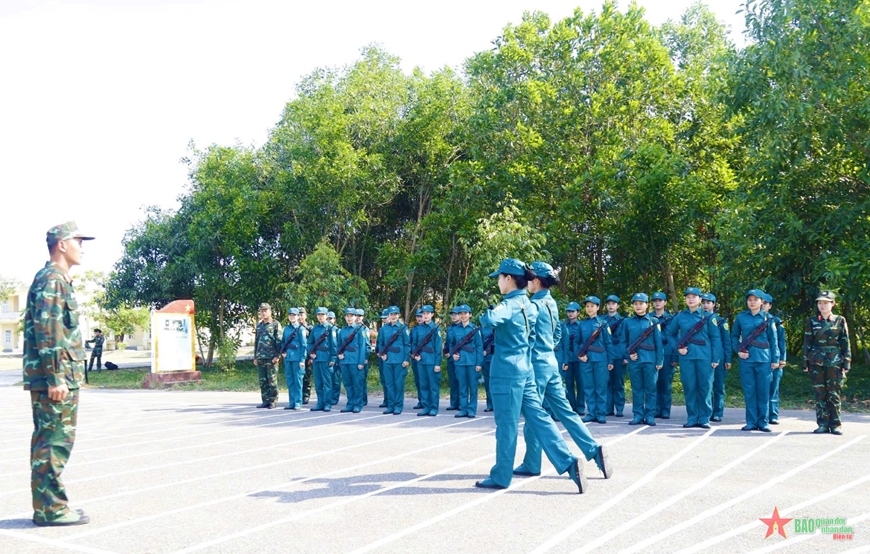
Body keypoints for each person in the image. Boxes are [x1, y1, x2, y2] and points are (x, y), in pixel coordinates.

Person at [476, 258, 586, 493]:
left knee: (506, 424)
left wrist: (486, 313)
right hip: (526, 368)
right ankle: (567, 460)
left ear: (508, 279)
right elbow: (538, 334)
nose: (497, 282)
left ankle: (501, 475)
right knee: (539, 417)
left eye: (499, 277)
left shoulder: (510, 303)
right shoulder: (528, 303)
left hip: (506, 370)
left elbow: (491, 320)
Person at [23, 221, 94, 527]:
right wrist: (56, 378)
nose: (82, 246)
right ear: (62, 245)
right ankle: (50, 510)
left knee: (51, 441)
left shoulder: (56, 279)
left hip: (59, 376)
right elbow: (48, 331)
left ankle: (48, 506)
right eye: (78, 240)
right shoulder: (52, 280)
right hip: (56, 379)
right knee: (53, 442)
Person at [514, 262, 612, 480]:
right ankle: (593, 450)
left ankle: (532, 462)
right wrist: (547, 348)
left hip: (537, 365)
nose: (527, 283)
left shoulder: (533, 306)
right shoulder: (551, 303)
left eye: (530, 279)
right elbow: (558, 333)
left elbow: (525, 338)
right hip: (550, 362)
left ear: (537, 281)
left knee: (534, 416)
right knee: (567, 413)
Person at [665, 287, 722, 429]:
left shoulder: (709, 316)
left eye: (694, 296)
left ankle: (704, 418)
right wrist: (678, 348)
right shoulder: (680, 316)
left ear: (700, 299)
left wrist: (716, 358)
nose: (690, 299)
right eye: (688, 297)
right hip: (687, 357)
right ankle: (692, 418)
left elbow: (715, 338)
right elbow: (669, 333)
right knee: (690, 387)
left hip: (705, 357)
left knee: (705, 387)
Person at [802, 291, 851, 435]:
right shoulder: (812, 321)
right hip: (816, 361)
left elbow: (845, 342)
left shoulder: (840, 320)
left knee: (834, 393)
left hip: (834, 361)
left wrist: (846, 362)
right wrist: (805, 362)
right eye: (819, 303)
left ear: (833, 304)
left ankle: (836, 424)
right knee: (820, 393)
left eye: (825, 302)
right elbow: (807, 342)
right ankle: (822, 423)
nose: (822, 305)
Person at [730, 289, 779, 432]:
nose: (752, 302)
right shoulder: (741, 318)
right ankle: (751, 422)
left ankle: (763, 422)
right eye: (749, 299)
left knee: (763, 391)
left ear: (762, 302)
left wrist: (775, 359)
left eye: (755, 300)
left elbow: (773, 341)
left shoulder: (768, 319)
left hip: (764, 360)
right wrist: (738, 350)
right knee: (749, 391)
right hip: (746, 360)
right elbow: (734, 336)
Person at [622, 293, 663, 426]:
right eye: (636, 304)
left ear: (647, 305)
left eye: (641, 303)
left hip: (650, 360)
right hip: (635, 361)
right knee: (637, 389)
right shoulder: (627, 322)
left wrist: (659, 361)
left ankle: (650, 415)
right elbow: (623, 342)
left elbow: (659, 343)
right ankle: (638, 415)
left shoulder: (654, 321)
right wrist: (628, 355)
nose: (638, 306)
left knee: (650, 389)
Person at [577, 296, 614, 424]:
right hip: (586, 360)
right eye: (587, 306)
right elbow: (577, 342)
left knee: (601, 387)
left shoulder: (603, 324)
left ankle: (601, 414)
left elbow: (609, 344)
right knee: (588, 387)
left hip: (600, 360)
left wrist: (610, 361)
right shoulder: (582, 324)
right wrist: (580, 355)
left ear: (598, 307)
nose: (589, 308)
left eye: (592, 306)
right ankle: (591, 413)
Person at [702, 293, 732, 422]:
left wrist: (728, 359)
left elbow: (726, 341)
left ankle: (718, 412)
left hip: (719, 357)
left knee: (718, 386)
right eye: (703, 302)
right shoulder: (698, 318)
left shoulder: (721, 320)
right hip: (704, 356)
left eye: (708, 302)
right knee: (705, 386)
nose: (705, 305)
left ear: (714, 305)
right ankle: (706, 412)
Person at [449, 304, 483, 418]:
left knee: (473, 387)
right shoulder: (455, 330)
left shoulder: (474, 329)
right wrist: (453, 354)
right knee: (462, 387)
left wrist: (479, 363)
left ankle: (472, 409)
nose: (463, 316)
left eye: (465, 313)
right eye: (461, 314)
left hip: (472, 362)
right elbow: (452, 344)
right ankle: (463, 409)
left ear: (470, 315)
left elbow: (479, 346)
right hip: (460, 362)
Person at [377, 306, 410, 415]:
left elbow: (407, 345)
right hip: (387, 360)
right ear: (388, 316)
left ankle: (398, 406)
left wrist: (406, 359)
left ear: (398, 315)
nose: (393, 316)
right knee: (389, 384)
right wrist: (382, 354)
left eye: (395, 314)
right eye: (391, 314)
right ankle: (390, 406)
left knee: (398, 384)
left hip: (400, 361)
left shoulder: (403, 328)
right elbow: (380, 344)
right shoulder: (383, 329)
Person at [412, 305, 442, 416]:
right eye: (423, 313)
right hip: (421, 360)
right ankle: (425, 407)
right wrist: (416, 355)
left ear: (432, 314)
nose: (425, 316)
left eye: (427, 313)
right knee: (423, 384)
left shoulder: (436, 328)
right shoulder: (418, 328)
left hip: (432, 360)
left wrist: (437, 363)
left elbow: (438, 348)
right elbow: (415, 344)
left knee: (433, 386)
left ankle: (434, 407)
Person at [762, 294, 787, 424]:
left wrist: (782, 358)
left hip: (775, 358)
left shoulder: (776, 321)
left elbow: (781, 341)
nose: (763, 306)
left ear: (770, 306)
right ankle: (763, 415)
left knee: (773, 388)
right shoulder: (756, 319)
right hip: (762, 358)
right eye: (762, 303)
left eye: (765, 304)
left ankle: (773, 414)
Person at [651, 292, 676, 419]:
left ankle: (665, 410)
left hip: (667, 353)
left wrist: (675, 356)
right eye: (655, 300)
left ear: (665, 302)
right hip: (652, 354)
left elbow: (676, 337)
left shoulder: (671, 318)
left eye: (660, 300)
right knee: (653, 383)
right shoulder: (649, 318)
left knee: (665, 383)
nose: (657, 302)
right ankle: (655, 409)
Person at [338, 308, 367, 413]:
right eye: (347, 316)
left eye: (351, 316)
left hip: (355, 362)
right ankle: (350, 403)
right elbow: (339, 345)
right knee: (348, 384)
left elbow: (362, 347)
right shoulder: (342, 331)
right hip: (345, 361)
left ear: (355, 317)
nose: (349, 318)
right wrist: (339, 355)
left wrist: (361, 362)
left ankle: (358, 404)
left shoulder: (360, 330)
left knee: (357, 384)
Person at [307, 307, 336, 411]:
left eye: (322, 315)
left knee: (327, 383)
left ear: (326, 316)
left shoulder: (330, 328)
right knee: (318, 382)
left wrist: (333, 358)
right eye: (318, 315)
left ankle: (327, 403)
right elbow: (310, 342)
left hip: (326, 358)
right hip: (317, 358)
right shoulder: (315, 328)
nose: (320, 317)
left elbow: (334, 345)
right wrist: (311, 353)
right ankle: (320, 403)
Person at [254, 303, 282, 409]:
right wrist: (255, 357)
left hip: (271, 357)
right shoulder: (259, 325)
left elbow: (279, 341)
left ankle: (273, 401)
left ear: (270, 311)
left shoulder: (275, 324)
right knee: (263, 380)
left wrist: (277, 355)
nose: (263, 313)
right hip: (261, 357)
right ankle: (265, 400)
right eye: (262, 311)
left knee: (272, 380)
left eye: (266, 310)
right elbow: (256, 342)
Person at [280, 308, 308, 410]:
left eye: (294, 315)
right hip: (288, 358)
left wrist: (302, 360)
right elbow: (283, 342)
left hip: (297, 359)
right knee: (290, 380)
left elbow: (304, 345)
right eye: (290, 315)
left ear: (297, 316)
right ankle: (291, 402)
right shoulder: (286, 329)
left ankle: (298, 402)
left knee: (298, 381)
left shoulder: (301, 329)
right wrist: (283, 352)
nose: (292, 317)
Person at [603, 295, 627, 417]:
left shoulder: (623, 321)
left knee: (619, 383)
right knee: (607, 382)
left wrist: (626, 356)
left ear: (617, 306)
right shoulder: (602, 320)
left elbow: (626, 339)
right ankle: (608, 408)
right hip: (605, 355)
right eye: (609, 304)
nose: (611, 306)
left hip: (618, 354)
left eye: (613, 303)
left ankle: (619, 409)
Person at [561, 301, 585, 415]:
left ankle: (580, 406)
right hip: (567, 358)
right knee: (569, 383)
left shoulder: (582, 326)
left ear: (578, 312)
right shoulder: (563, 325)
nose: (570, 314)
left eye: (572, 311)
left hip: (579, 358)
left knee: (581, 383)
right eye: (568, 311)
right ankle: (571, 405)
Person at [444, 306, 462, 410]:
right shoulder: (450, 328)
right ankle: (453, 403)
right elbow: (447, 342)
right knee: (453, 380)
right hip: (450, 357)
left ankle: (461, 403)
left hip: (460, 357)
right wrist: (446, 351)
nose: (454, 316)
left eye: (456, 314)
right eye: (452, 314)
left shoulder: (463, 327)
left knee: (461, 380)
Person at [409, 308, 425, 410]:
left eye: (421, 316)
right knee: (418, 380)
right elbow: (409, 343)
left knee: (425, 381)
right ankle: (421, 400)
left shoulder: (429, 329)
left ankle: (426, 401)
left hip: (424, 358)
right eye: (417, 316)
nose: (419, 318)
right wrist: (411, 353)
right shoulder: (414, 330)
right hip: (415, 358)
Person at [298, 307, 313, 404]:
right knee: (297, 377)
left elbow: (313, 343)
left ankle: (306, 395)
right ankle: (298, 395)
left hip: (307, 357)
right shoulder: (294, 327)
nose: (300, 317)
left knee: (306, 376)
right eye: (298, 315)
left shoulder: (310, 328)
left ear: (305, 316)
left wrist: (311, 357)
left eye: (301, 315)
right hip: (296, 356)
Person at [376, 309, 391, 408]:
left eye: (385, 318)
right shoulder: (382, 329)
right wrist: (378, 352)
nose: (384, 320)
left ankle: (391, 400)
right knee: (384, 379)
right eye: (383, 318)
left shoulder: (399, 328)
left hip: (391, 356)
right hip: (382, 357)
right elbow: (379, 343)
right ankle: (386, 399)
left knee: (391, 380)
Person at [479, 323, 494, 412]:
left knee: (498, 383)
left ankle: (498, 405)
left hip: (497, 358)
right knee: (488, 383)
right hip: (486, 359)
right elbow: (479, 343)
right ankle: (490, 404)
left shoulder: (501, 326)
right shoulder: (483, 328)